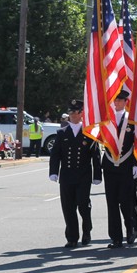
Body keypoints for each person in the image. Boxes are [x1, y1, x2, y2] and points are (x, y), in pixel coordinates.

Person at [48, 99, 101, 248]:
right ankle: (72, 237)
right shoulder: (62, 133)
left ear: (81, 113)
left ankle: (86, 231)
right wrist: (53, 172)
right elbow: (56, 155)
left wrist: (97, 175)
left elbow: (95, 155)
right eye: (70, 112)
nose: (72, 114)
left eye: (75, 112)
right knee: (68, 207)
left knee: (83, 205)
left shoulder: (89, 133)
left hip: (83, 175)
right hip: (66, 175)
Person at [101, 90, 137, 248]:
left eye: (120, 100)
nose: (117, 103)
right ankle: (116, 237)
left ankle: (131, 230)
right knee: (112, 202)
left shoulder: (132, 120)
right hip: (110, 164)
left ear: (125, 102)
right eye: (115, 100)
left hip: (127, 164)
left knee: (126, 201)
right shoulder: (106, 119)